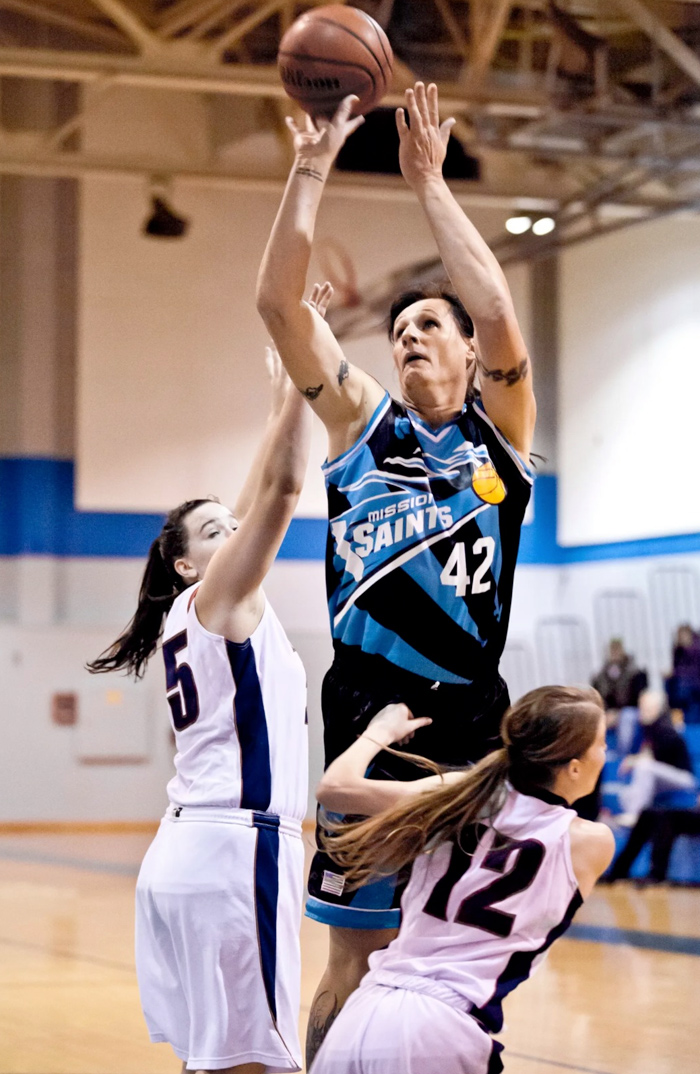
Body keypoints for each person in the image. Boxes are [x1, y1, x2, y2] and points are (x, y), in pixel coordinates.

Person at [256, 81, 537, 1061]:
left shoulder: (499, 442)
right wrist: (311, 161)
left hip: (468, 732)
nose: (411, 332)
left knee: (454, 959)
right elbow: (276, 307)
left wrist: (428, 184)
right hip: (364, 730)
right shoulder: (363, 431)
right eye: (401, 326)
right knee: (354, 964)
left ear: (469, 356)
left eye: (432, 325)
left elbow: (499, 307)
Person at [87, 287, 330, 1074]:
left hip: (190, 852)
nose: (235, 530)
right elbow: (283, 492)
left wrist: (277, 395)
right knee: (258, 1062)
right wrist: (303, 374)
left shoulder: (196, 613)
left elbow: (258, 489)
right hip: (235, 848)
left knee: (212, 1060)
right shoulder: (218, 600)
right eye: (216, 532)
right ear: (189, 564)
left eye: (232, 524)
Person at [308, 685, 613, 1074]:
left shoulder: (462, 796)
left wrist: (379, 733)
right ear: (574, 766)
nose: (606, 754)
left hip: (363, 1014)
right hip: (441, 1031)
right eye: (601, 744)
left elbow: (334, 791)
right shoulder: (590, 843)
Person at [615, 689, 697, 827]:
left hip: (684, 778)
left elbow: (655, 758)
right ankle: (636, 819)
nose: (642, 711)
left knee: (644, 766)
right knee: (626, 794)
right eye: (641, 707)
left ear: (657, 709)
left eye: (647, 708)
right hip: (661, 777)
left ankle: (636, 815)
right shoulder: (647, 727)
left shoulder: (666, 728)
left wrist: (634, 761)